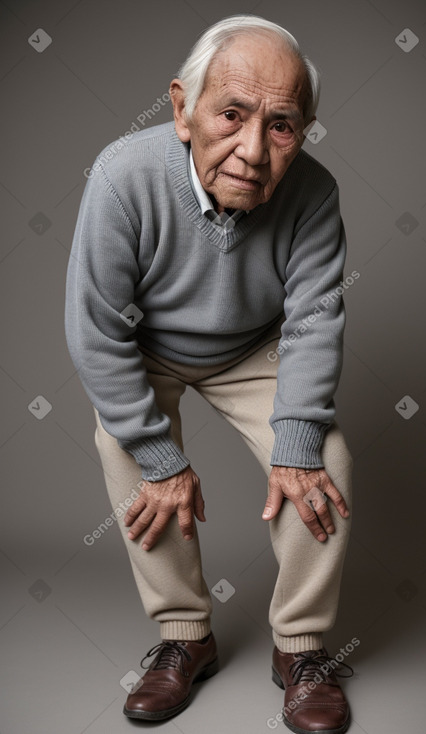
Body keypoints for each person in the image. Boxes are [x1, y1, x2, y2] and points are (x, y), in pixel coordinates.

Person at [65, 14, 354, 734]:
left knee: (324, 460)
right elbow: (96, 329)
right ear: (181, 108)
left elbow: (314, 322)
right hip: (148, 344)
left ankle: (301, 648)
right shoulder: (121, 175)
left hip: (251, 349)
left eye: (281, 125)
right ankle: (184, 634)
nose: (252, 150)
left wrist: (295, 448)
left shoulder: (312, 194)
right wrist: (158, 457)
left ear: (304, 130)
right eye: (231, 114)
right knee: (121, 445)